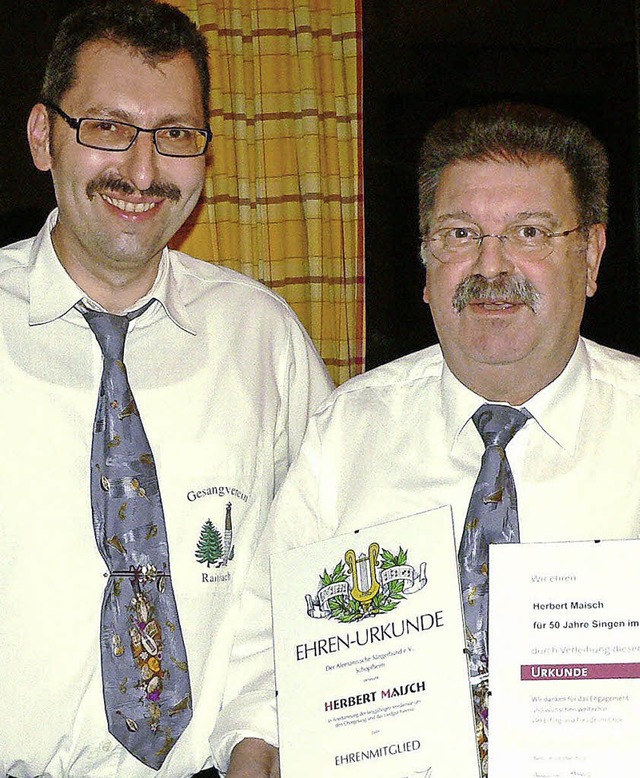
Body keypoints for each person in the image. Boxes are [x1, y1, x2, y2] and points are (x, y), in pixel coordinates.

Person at [244, 103, 640, 775]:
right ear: (426, 260)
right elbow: (262, 658)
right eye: (460, 234)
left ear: (591, 255)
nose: (491, 266)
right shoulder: (345, 436)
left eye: (530, 232)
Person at [0, 1, 332, 777]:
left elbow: (318, 560)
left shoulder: (261, 338)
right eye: (108, 127)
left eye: (176, 135)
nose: (143, 171)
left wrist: (266, 733)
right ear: (44, 137)